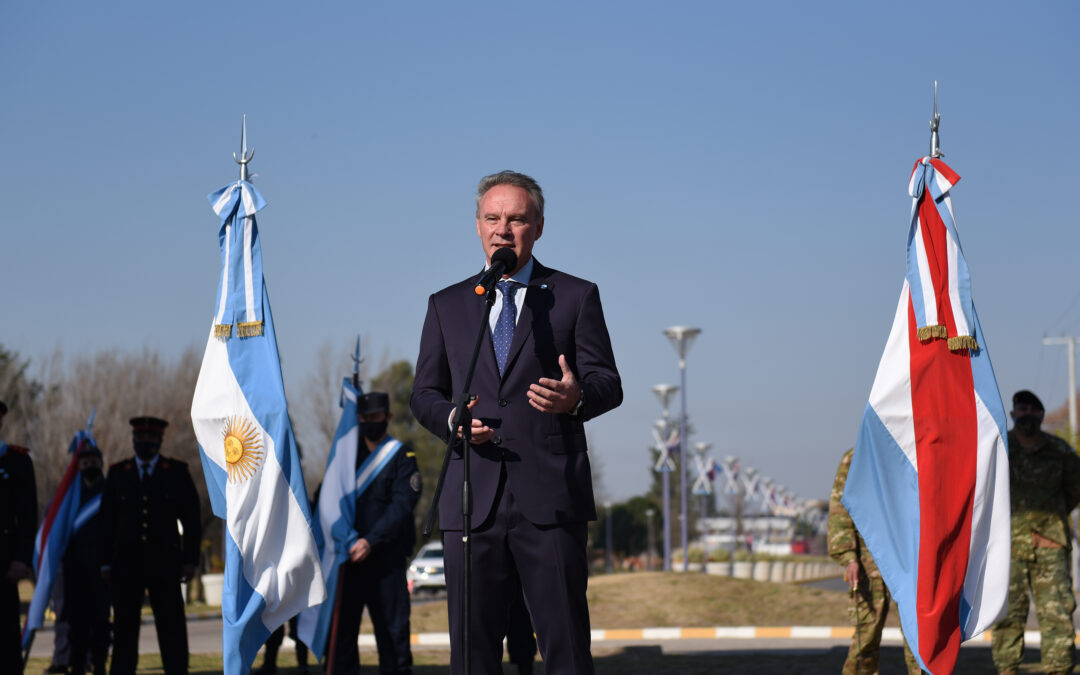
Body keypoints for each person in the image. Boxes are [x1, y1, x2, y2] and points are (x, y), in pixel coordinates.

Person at [411, 170, 623, 674]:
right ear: (478, 226)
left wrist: (574, 399)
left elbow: (608, 383)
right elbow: (424, 393)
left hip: (550, 500)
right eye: (492, 218)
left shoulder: (574, 296)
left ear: (539, 226)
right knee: (472, 654)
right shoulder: (447, 304)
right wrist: (450, 420)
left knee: (565, 647)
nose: (503, 229)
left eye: (516, 219)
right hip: (471, 501)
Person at [98, 416, 201, 675]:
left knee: (171, 628)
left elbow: (191, 520)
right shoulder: (118, 474)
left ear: (160, 441)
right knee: (124, 629)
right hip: (126, 565)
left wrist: (190, 560)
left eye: (151, 438)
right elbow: (106, 523)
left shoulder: (176, 473)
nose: (145, 443)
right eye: (140, 438)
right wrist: (105, 562)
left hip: (165, 564)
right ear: (133, 440)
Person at [330, 392, 421, 675]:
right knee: (342, 641)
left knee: (393, 640)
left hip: (387, 563)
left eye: (376, 417)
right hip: (349, 562)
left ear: (388, 417)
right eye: (365, 418)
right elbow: (329, 500)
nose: (371, 422)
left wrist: (371, 540)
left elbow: (402, 505)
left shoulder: (401, 456)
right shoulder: (345, 459)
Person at [991, 390, 1080, 675]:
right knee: (1007, 615)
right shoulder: (999, 447)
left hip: (1050, 544)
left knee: (1057, 614)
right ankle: (1006, 669)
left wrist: (1050, 516)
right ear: (1013, 413)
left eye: (1032, 409)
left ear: (1041, 415)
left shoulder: (1061, 451)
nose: (1026, 413)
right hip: (1008, 547)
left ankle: (1059, 668)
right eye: (1021, 408)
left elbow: (1075, 490)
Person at [829, 448, 921, 675]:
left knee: (919, 638)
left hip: (911, 560)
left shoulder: (916, 452)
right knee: (866, 636)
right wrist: (849, 557)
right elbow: (840, 509)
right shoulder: (857, 456)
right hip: (868, 562)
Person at [62, 440, 109, 675]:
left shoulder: (110, 491)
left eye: (93, 461)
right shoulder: (70, 497)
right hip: (75, 572)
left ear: (101, 463)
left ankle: (99, 666)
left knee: (101, 625)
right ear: (78, 465)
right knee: (77, 626)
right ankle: (77, 667)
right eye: (85, 462)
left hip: (102, 570)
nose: (89, 465)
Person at [0, 400, 37, 674]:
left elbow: (27, 516)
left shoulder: (17, 461)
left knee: (7, 640)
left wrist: (21, 559)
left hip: (5, 564)